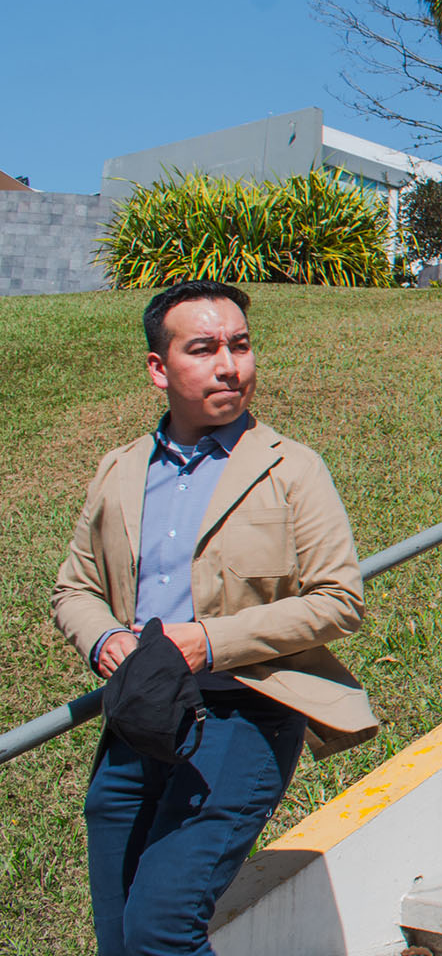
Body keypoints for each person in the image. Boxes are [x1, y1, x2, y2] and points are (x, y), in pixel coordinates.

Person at [52, 280, 378, 956]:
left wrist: (209, 642)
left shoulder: (292, 468)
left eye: (241, 345)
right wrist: (106, 638)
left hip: (245, 715)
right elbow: (74, 589)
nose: (230, 364)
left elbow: (338, 599)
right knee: (119, 940)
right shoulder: (119, 471)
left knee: (161, 930)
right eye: (202, 349)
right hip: (140, 715)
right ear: (158, 369)